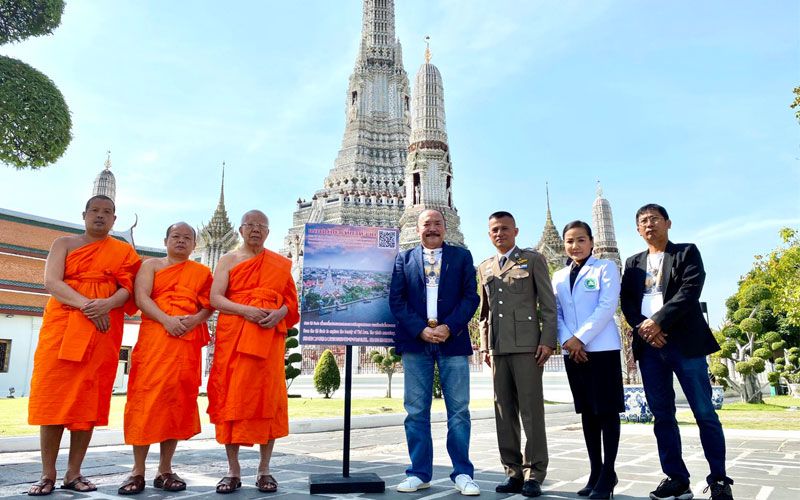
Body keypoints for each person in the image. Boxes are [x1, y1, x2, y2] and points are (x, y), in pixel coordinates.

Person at [26, 195, 141, 496]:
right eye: (95, 211)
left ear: (115, 220)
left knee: (86, 402)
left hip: (102, 331)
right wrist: (89, 305)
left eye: (107, 212)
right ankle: (47, 473)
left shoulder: (122, 251)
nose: (100, 216)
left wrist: (106, 305)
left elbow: (129, 288)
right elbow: (52, 282)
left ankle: (73, 472)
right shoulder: (62, 244)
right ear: (84, 215)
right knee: (53, 400)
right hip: (64, 326)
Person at [620, 203, 734, 500]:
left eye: (654, 219)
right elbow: (627, 302)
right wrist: (644, 328)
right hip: (649, 349)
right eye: (643, 221)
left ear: (667, 223)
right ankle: (676, 477)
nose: (649, 225)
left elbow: (689, 290)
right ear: (637, 229)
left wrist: (657, 322)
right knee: (662, 416)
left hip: (685, 344)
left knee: (704, 412)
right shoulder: (632, 263)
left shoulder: (686, 252)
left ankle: (719, 479)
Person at [206, 210, 299, 495]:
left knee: (267, 401)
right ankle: (233, 470)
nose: (256, 230)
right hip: (234, 338)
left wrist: (279, 313)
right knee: (231, 399)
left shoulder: (279, 264)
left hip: (268, 339)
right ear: (241, 229)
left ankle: (264, 469)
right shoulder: (228, 260)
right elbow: (215, 298)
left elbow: (292, 304)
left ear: (268, 232)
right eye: (251, 225)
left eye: (261, 226)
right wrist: (245, 309)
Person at [389, 209, 481, 496]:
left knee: (459, 411)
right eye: (426, 224)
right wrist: (420, 329)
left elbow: (471, 297)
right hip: (417, 342)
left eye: (437, 224)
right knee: (416, 411)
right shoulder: (404, 260)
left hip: (451, 341)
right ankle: (419, 472)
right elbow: (397, 300)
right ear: (418, 229)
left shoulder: (461, 257)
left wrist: (449, 327)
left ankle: (463, 473)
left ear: (445, 228)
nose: (432, 229)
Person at [118, 222, 213, 495]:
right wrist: (167, 321)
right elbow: (141, 297)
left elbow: (208, 305)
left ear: (195, 245)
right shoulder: (151, 266)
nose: (181, 241)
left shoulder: (201, 272)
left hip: (185, 342)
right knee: (145, 401)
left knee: (176, 402)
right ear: (165, 240)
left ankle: (165, 469)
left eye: (187, 238)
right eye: (176, 236)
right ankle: (137, 470)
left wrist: (193, 321)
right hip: (155, 338)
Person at [477, 211, 557, 498]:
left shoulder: (532, 260)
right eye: (495, 230)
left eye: (505, 229)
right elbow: (484, 313)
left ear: (516, 231)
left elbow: (548, 305)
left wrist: (548, 341)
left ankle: (534, 473)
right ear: (489, 234)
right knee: (503, 411)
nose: (500, 234)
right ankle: (512, 472)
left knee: (531, 411)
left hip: (527, 347)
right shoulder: (485, 267)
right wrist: (485, 346)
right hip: (498, 349)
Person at [551, 220, 623, 499]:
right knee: (588, 413)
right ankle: (595, 471)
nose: (575, 246)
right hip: (573, 351)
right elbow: (556, 313)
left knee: (606, 412)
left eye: (581, 240)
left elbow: (607, 306)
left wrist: (581, 338)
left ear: (591, 242)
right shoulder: (558, 276)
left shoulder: (605, 268)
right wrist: (569, 340)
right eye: (569, 241)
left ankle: (609, 473)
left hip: (602, 348)